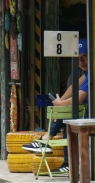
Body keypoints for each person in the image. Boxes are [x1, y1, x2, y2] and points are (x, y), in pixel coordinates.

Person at [22, 38, 89, 174]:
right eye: (78, 58)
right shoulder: (87, 74)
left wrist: (60, 105)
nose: (81, 62)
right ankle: (67, 162)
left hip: (92, 114)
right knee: (64, 119)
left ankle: (46, 140)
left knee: (66, 114)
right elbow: (73, 86)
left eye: (85, 57)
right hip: (82, 113)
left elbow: (78, 99)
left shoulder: (94, 73)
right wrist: (60, 105)